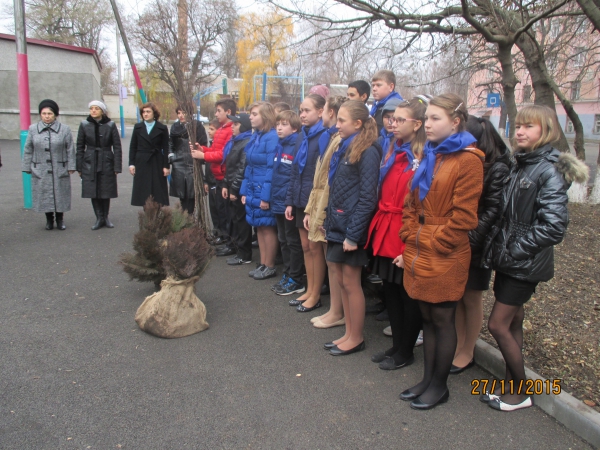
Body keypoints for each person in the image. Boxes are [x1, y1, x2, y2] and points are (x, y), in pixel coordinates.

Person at [485, 105, 587, 412]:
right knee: (513, 322)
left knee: (497, 325)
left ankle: (522, 393)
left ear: (547, 131)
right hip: (508, 259)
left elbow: (554, 226)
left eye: (529, 127)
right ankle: (510, 389)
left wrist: (515, 249)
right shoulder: (522, 164)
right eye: (518, 126)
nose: (520, 131)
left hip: (523, 263)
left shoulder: (549, 168)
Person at [399, 93, 484, 410]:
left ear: (456, 122)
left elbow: (464, 218)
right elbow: (411, 203)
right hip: (419, 246)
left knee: (443, 318)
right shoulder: (431, 154)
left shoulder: (468, 160)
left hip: (444, 252)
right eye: (428, 118)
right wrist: (410, 233)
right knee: (426, 316)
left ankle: (439, 386)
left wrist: (433, 241)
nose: (428, 124)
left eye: (436, 118)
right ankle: (426, 379)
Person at [367, 97, 427, 370]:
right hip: (387, 227)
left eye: (400, 119)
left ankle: (406, 349)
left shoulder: (423, 155)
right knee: (389, 288)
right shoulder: (394, 149)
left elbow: (418, 202)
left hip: (404, 231)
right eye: (392, 118)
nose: (392, 123)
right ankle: (397, 344)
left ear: (417, 125)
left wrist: (409, 243)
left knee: (406, 293)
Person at [450, 116, 511, 374]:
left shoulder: (497, 167)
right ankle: (458, 344)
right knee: (458, 296)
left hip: (478, 242)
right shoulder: (469, 161)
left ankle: (468, 350)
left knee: (472, 297)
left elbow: (493, 210)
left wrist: (470, 240)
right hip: (462, 238)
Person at [323, 100, 381, 355]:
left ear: (358, 123)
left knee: (351, 282)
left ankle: (356, 337)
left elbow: (368, 197)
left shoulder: (367, 150)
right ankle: (347, 332)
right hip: (339, 223)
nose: (337, 126)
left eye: (342, 121)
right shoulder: (346, 147)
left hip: (351, 230)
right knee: (340, 279)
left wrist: (353, 235)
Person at [303, 96, 346, 324]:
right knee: (330, 260)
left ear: (330, 113)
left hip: (328, 206)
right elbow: (318, 180)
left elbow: (331, 184)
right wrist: (310, 209)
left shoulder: (338, 141)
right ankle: (334, 310)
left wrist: (323, 213)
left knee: (333, 261)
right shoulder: (331, 138)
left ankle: (337, 312)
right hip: (319, 202)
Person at [285, 94, 327, 311]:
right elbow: (295, 171)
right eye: (301, 110)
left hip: (314, 201)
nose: (302, 114)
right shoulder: (302, 135)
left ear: (321, 111)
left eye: (307, 110)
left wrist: (313, 205)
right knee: (305, 247)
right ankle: (309, 290)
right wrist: (290, 201)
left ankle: (316, 294)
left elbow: (320, 175)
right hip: (300, 199)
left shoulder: (324, 136)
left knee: (314, 247)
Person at [238, 102, 279, 276]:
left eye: (254, 114)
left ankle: (269, 265)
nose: (250, 117)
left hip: (263, 189)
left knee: (267, 227)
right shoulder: (258, 137)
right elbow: (249, 166)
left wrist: (266, 197)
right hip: (254, 187)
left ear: (266, 116)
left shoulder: (271, 137)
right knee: (259, 226)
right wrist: (244, 191)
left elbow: (272, 169)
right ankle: (263, 263)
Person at [22, 99, 76, 230]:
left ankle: (60, 219)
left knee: (60, 194)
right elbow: (28, 148)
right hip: (40, 169)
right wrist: (26, 166)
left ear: (55, 114)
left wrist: (71, 166)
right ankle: (49, 220)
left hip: (59, 167)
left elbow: (70, 148)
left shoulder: (65, 129)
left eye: (50, 114)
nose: (46, 116)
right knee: (44, 194)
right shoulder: (33, 129)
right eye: (44, 113)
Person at [270, 110, 304, 295]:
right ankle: (288, 272)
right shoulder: (280, 145)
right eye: (278, 124)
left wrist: (288, 202)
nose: (279, 128)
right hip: (278, 201)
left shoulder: (295, 146)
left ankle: (296, 278)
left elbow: (292, 177)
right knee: (283, 239)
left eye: (284, 124)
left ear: (294, 128)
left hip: (288, 202)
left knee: (292, 241)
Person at [192, 99, 235, 242]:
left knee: (225, 212)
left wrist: (203, 155)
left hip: (224, 177)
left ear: (228, 112)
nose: (216, 114)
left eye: (219, 111)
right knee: (219, 209)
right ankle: (222, 236)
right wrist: (203, 149)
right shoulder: (222, 129)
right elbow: (216, 151)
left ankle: (227, 238)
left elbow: (223, 155)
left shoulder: (230, 130)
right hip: (217, 176)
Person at [76, 100, 122, 230]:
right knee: (93, 190)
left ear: (102, 111)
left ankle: (106, 217)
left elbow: (117, 147)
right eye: (91, 108)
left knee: (105, 189)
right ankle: (99, 217)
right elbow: (79, 146)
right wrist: (79, 166)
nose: (94, 111)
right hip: (90, 161)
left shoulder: (110, 125)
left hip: (106, 159)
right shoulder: (84, 125)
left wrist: (116, 166)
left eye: (96, 108)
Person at [221, 114, 253, 264]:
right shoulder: (235, 141)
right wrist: (225, 184)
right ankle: (237, 248)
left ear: (244, 125)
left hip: (239, 188)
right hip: (232, 185)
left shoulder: (246, 142)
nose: (232, 126)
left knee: (241, 221)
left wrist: (234, 189)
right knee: (234, 219)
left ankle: (244, 254)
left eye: (236, 124)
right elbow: (230, 167)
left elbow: (241, 169)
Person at [129, 102, 170, 206]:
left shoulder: (162, 128)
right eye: (143, 112)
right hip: (142, 161)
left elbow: (166, 148)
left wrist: (166, 166)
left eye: (148, 112)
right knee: (143, 189)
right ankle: (147, 216)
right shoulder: (138, 127)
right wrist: (131, 164)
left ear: (154, 114)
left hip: (157, 161)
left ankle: (156, 215)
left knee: (157, 189)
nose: (145, 114)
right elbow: (133, 146)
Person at [168, 106, 208, 215]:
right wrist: (172, 157)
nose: (181, 115)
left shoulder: (197, 126)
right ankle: (185, 217)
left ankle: (190, 216)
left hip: (192, 162)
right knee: (182, 193)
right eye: (179, 113)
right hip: (178, 162)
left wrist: (199, 157)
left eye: (183, 112)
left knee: (192, 193)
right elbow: (171, 143)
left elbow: (203, 143)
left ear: (190, 113)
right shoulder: (175, 127)